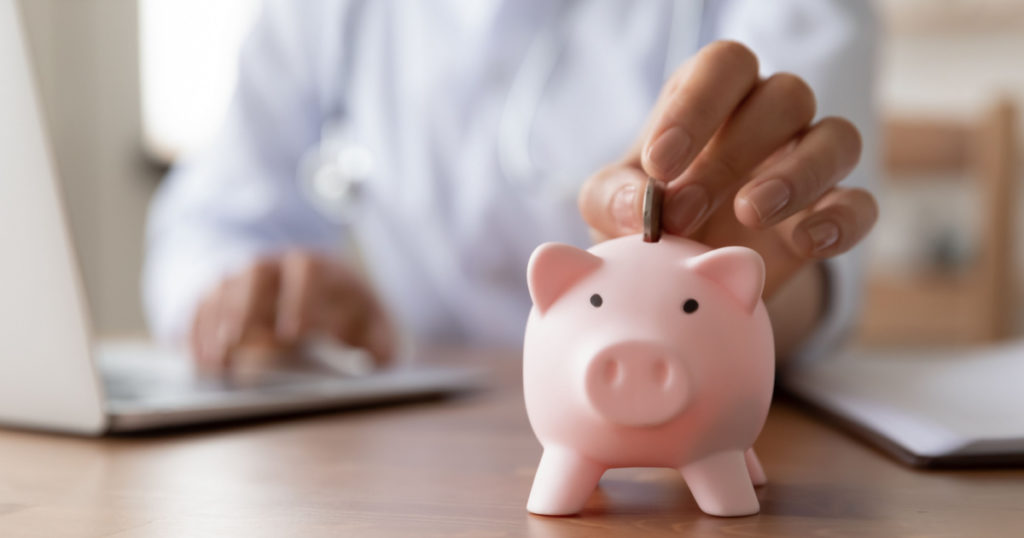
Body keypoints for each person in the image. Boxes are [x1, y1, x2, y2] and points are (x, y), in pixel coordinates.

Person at [144, 0, 878, 370]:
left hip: (686, 445)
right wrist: (263, 299)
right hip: (406, 461)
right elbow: (209, 226)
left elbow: (792, 255)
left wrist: (719, 296)